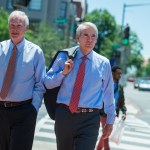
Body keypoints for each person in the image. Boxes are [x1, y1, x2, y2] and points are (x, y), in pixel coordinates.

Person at [44, 22, 116, 150]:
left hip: (90, 119)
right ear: (77, 38)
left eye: (93, 36)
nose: (90, 39)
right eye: (85, 35)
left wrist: (110, 121)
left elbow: (109, 93)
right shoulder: (64, 57)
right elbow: (48, 83)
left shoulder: (103, 63)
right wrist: (63, 73)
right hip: (64, 115)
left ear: (96, 40)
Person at [0, 10, 46, 150]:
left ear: (26, 28)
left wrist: (33, 108)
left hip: (24, 112)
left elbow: (40, 83)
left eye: (19, 25)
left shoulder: (36, 52)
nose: (15, 29)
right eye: (12, 25)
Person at [96, 65, 127, 150]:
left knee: (105, 133)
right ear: (112, 73)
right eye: (118, 73)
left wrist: (124, 112)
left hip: (112, 113)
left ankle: (98, 148)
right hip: (103, 112)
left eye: (120, 74)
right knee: (106, 133)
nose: (120, 75)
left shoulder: (120, 88)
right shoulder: (104, 83)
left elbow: (122, 102)